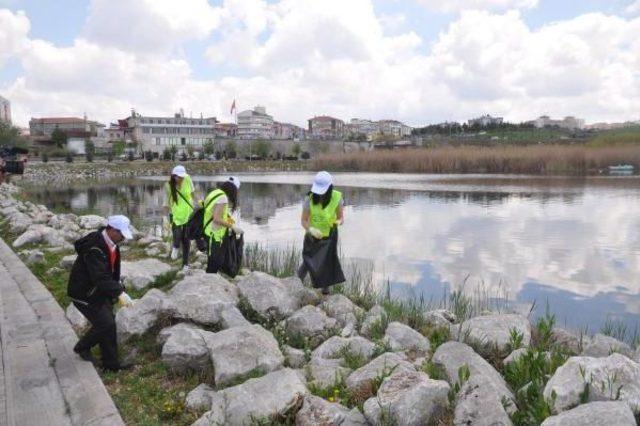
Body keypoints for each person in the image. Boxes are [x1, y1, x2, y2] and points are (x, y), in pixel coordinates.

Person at [67, 215, 135, 372]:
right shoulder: (94, 247)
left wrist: (117, 289)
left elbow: (110, 273)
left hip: (98, 291)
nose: (124, 238)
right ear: (111, 230)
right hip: (83, 293)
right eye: (122, 234)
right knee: (105, 323)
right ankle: (82, 347)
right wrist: (119, 293)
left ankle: (111, 365)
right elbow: (99, 277)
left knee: (109, 324)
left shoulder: (112, 244)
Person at [298, 171, 345, 294]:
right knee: (308, 261)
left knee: (327, 262)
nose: (319, 194)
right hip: (312, 236)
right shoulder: (310, 198)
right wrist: (311, 229)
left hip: (330, 235)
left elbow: (341, 217)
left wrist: (338, 222)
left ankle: (326, 292)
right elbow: (303, 220)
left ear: (329, 187)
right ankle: (296, 283)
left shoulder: (337, 197)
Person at [203, 176, 242, 273]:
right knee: (214, 263)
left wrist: (230, 221)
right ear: (233, 189)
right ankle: (209, 284)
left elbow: (213, 211)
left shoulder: (215, 192)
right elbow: (216, 218)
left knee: (213, 260)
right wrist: (232, 226)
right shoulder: (223, 198)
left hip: (208, 231)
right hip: (214, 234)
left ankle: (210, 281)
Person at [164, 165, 196, 270]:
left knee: (186, 238)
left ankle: (185, 264)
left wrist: (200, 202)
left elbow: (192, 193)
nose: (181, 178)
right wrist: (165, 217)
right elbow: (166, 202)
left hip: (188, 213)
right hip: (176, 213)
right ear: (173, 176)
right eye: (178, 177)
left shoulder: (188, 179)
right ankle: (176, 246)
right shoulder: (169, 186)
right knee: (177, 235)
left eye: (182, 176)